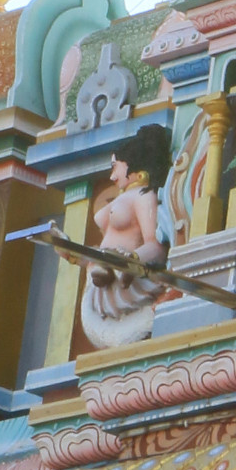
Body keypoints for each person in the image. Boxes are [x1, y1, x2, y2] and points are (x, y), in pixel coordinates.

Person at [80, 126, 172, 349]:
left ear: (132, 166)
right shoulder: (125, 197)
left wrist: (131, 258)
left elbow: (155, 245)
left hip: (125, 272)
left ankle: (114, 267)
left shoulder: (143, 196)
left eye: (115, 167)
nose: (111, 176)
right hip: (100, 281)